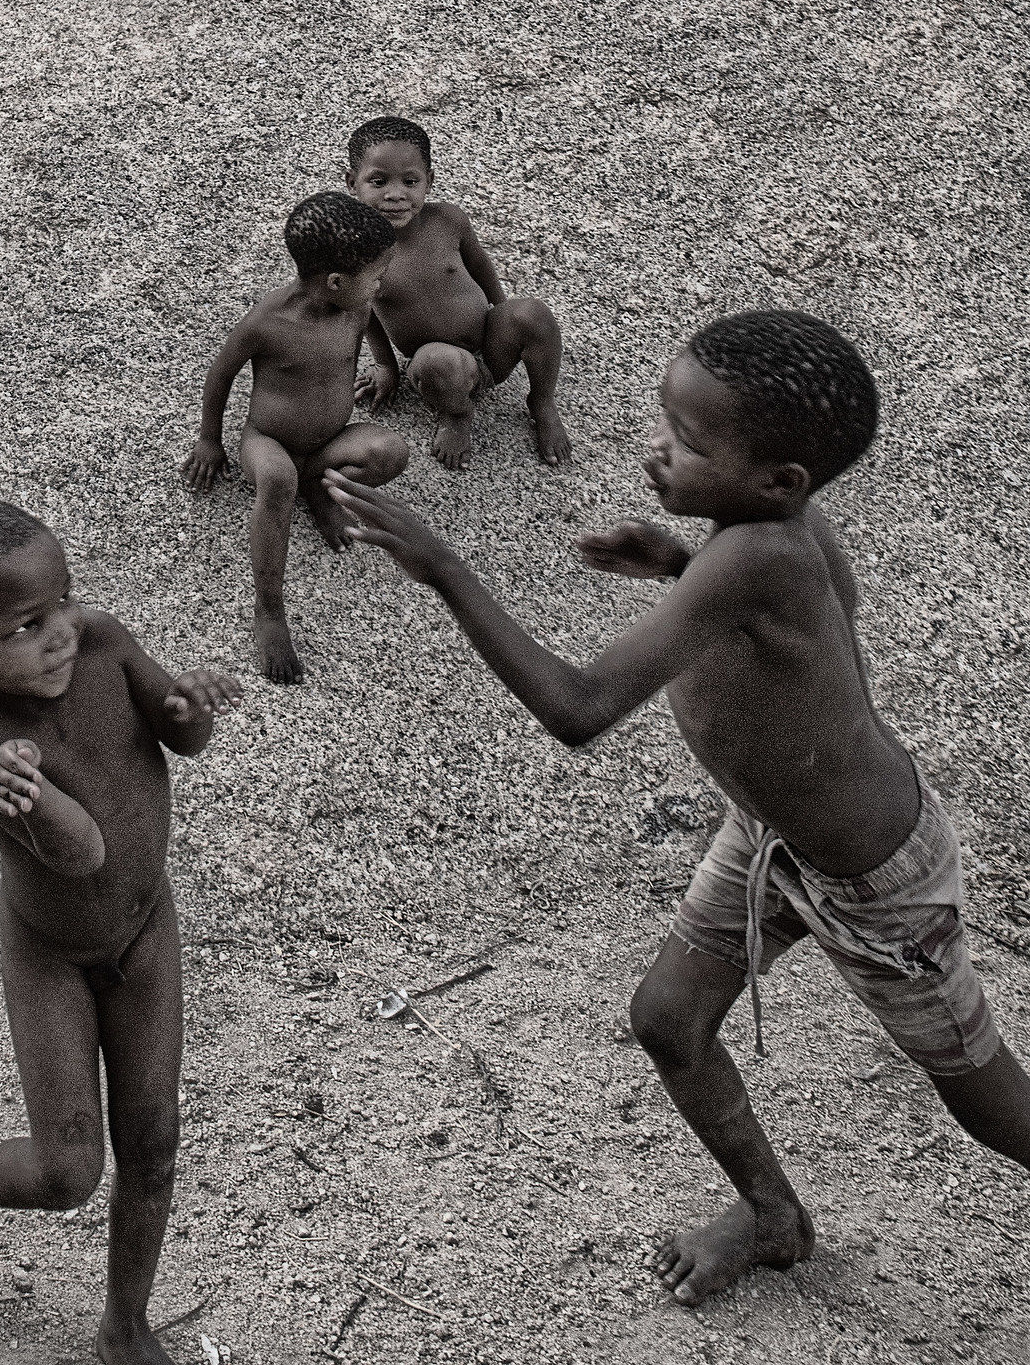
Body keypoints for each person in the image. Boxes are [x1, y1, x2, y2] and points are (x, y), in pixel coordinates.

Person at [326, 311, 1030, 1308]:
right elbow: (832, 614)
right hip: (773, 834)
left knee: (985, 1099)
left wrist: (443, 564)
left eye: (689, 442)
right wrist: (675, 563)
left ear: (780, 481)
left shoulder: (756, 556)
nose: (656, 447)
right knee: (668, 1020)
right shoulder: (767, 541)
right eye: (666, 421)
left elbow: (578, 709)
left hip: (876, 880)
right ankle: (775, 1218)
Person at [0, 494, 242, 1363]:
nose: (61, 635)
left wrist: (189, 706)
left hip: (146, 929)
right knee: (67, 1172)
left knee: (154, 1143)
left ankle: (125, 1326)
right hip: (53, 956)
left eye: (65, 602)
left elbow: (180, 739)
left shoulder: (107, 644)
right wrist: (31, 795)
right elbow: (78, 856)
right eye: (25, 625)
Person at [183, 192, 409, 683]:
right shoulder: (270, 323)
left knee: (392, 452)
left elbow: (373, 329)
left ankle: (317, 487)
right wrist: (209, 438)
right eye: (374, 276)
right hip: (269, 440)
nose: (380, 285)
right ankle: (269, 610)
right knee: (279, 478)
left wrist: (386, 366)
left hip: (332, 438)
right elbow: (221, 374)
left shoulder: (354, 303)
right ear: (335, 282)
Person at [346, 115, 570, 469]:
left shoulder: (448, 221)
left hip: (489, 346)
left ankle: (541, 402)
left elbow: (480, 265)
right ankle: (457, 414)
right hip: (439, 369)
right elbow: (364, 313)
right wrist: (386, 365)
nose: (395, 194)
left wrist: (503, 311)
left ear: (429, 182)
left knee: (532, 312)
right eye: (377, 181)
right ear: (352, 183)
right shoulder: (360, 253)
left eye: (410, 181)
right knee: (437, 360)